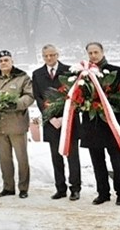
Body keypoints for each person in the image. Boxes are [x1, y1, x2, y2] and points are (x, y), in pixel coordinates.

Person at [79, 42, 120, 206]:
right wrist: (85, 103)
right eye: (90, 53)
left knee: (116, 157)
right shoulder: (83, 74)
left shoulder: (115, 71)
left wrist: (106, 105)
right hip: (91, 122)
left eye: (96, 52)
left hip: (110, 122)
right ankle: (103, 192)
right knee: (97, 159)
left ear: (102, 52)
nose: (93, 56)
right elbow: (77, 95)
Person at [0, 50, 34, 199]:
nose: (4, 63)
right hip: (0, 124)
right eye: (1, 61)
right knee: (4, 158)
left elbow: (29, 96)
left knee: (21, 157)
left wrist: (15, 103)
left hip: (17, 122)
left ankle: (23, 188)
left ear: (12, 61)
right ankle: (8, 187)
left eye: (6, 60)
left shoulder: (22, 77)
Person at [32, 44, 81, 201]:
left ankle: (75, 188)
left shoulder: (70, 71)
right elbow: (38, 97)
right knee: (56, 156)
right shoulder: (37, 74)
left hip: (69, 120)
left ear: (57, 55)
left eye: (52, 55)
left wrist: (64, 117)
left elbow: (76, 95)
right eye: (46, 56)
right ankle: (60, 188)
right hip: (50, 122)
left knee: (72, 156)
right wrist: (51, 117)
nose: (49, 58)